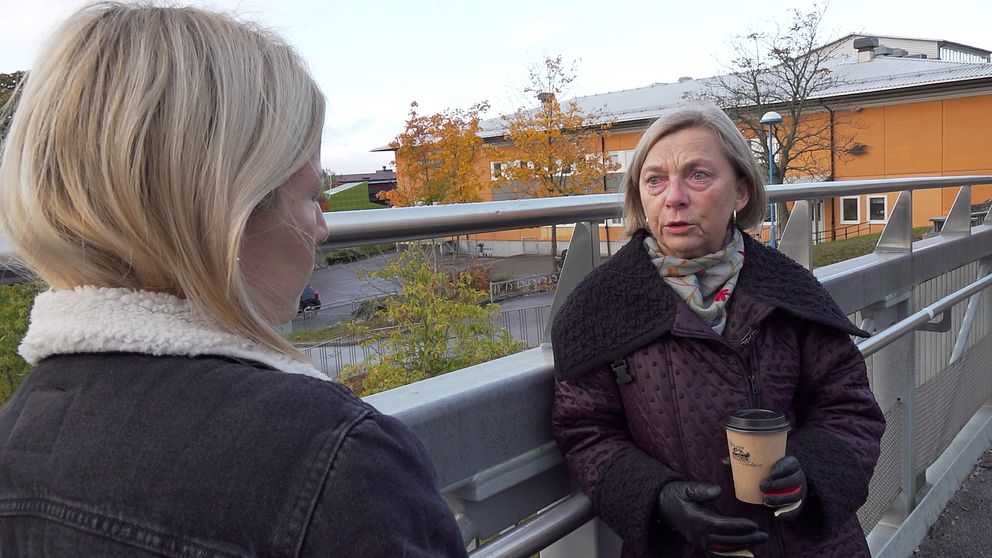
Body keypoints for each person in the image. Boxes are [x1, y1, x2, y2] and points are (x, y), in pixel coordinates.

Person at [0, 4, 467, 557]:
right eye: (312, 196)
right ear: (229, 209)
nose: (323, 228)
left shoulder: (15, 433)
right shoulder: (338, 461)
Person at [550, 105, 885, 558]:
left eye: (698, 175)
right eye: (655, 180)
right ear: (639, 197)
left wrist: (812, 471)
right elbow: (585, 431)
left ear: (741, 191)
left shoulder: (791, 292)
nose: (674, 197)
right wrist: (658, 499)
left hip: (808, 545)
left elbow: (848, 408)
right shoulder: (600, 308)